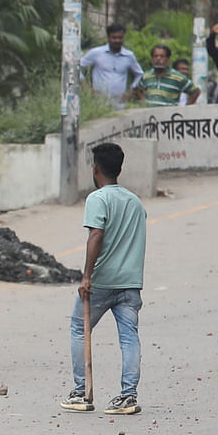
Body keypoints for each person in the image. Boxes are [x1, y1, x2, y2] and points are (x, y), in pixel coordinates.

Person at [60, 142, 147, 415]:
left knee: (78, 328)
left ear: (95, 169)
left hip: (102, 282)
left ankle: (81, 392)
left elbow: (96, 235)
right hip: (131, 283)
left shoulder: (98, 199)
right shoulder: (135, 201)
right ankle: (128, 396)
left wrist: (87, 277)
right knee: (129, 337)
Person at [79, 23, 144, 108]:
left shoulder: (129, 56)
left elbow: (139, 74)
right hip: (98, 103)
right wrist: (86, 89)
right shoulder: (96, 53)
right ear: (108, 38)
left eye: (120, 38)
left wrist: (131, 91)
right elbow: (77, 68)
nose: (117, 40)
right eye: (114, 37)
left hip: (120, 103)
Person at [136, 45, 200, 107]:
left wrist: (186, 108)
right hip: (150, 116)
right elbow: (138, 88)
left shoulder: (178, 77)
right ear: (152, 58)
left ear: (168, 59)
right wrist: (144, 102)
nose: (158, 59)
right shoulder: (146, 76)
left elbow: (195, 91)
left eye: (162, 56)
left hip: (169, 116)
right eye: (155, 56)